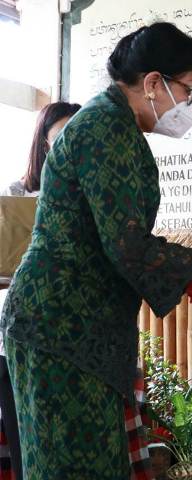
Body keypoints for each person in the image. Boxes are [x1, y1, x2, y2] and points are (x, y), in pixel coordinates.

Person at [0, 23, 192, 480]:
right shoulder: (105, 129)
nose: (188, 104)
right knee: (72, 467)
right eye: (188, 90)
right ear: (153, 83)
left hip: (81, 328)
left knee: (97, 463)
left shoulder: (115, 126)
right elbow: (127, 245)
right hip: (62, 326)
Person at [0, 101, 80, 480]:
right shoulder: (17, 196)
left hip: (79, 330)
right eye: (62, 134)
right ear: (44, 142)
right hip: (27, 327)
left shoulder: (90, 195)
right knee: (28, 435)